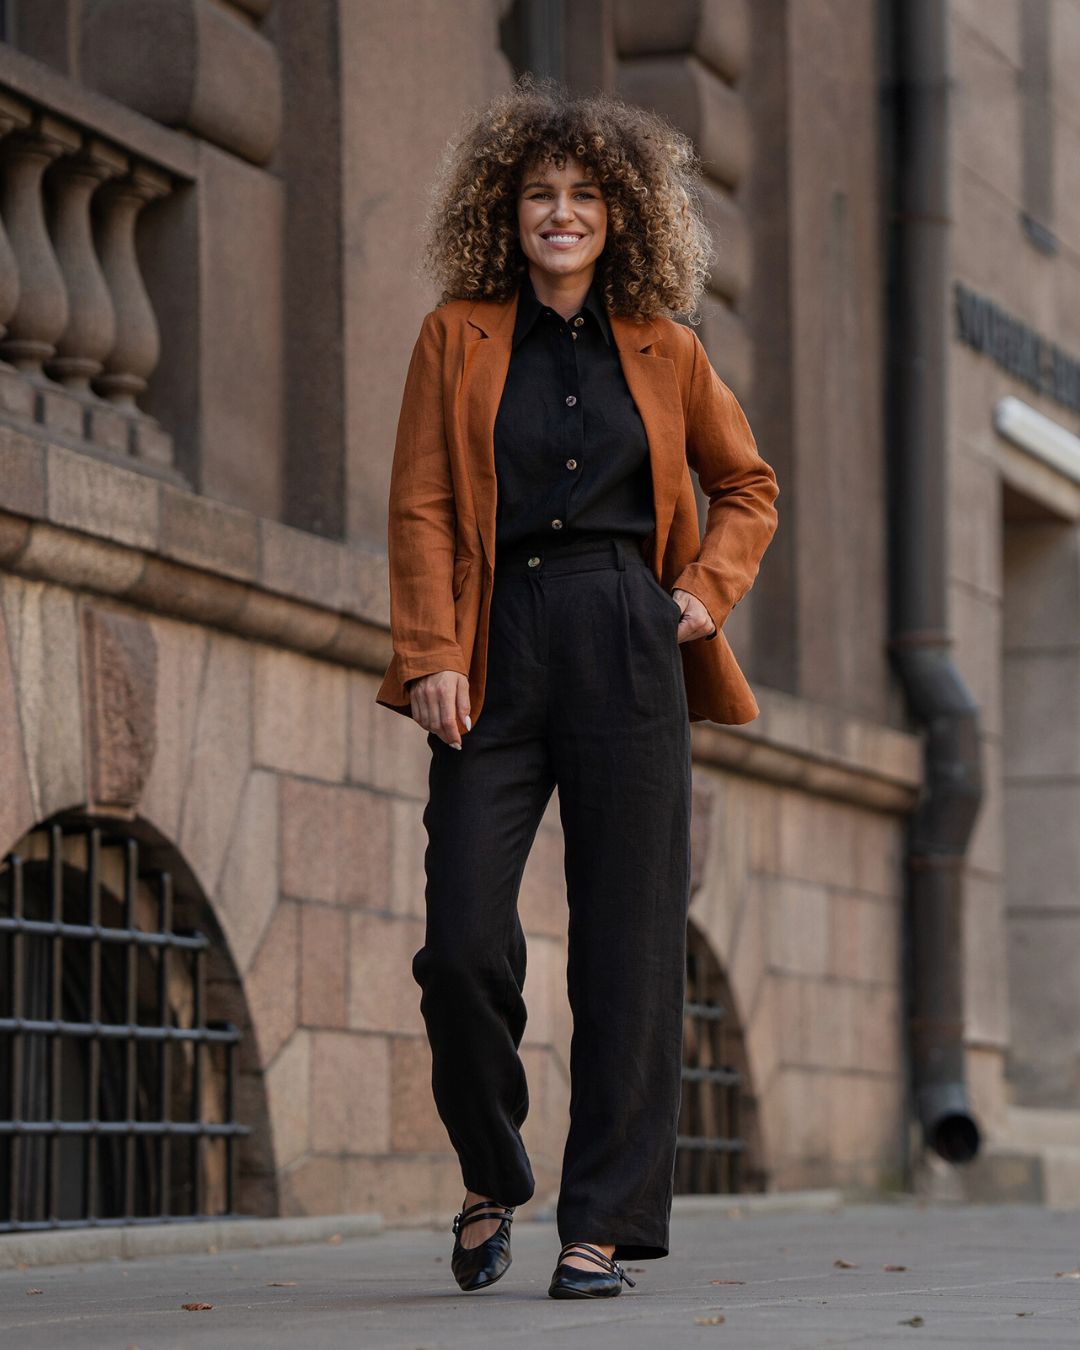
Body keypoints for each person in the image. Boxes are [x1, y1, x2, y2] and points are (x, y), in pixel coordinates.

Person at [375, 75, 778, 1299]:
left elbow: (747, 484)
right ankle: (492, 1169)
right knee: (458, 945)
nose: (561, 212)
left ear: (622, 216)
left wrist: (703, 590)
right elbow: (424, 505)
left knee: (629, 940)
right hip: (493, 637)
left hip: (626, 633)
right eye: (541, 193)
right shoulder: (458, 334)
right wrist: (433, 652)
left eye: (585, 195)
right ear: (509, 211)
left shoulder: (668, 347)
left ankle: (600, 1224)